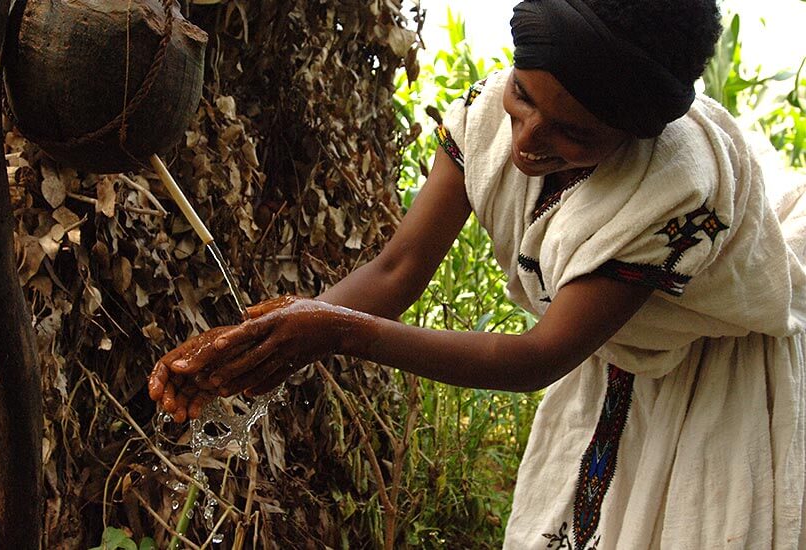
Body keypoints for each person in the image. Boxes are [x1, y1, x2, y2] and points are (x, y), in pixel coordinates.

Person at [149, 0, 806, 546]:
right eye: (523, 94)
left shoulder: (673, 189)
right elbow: (395, 269)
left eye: (573, 133)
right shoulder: (487, 116)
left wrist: (331, 331)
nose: (526, 141)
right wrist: (244, 347)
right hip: (611, 370)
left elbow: (533, 357)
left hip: (713, 384)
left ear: (635, 133)